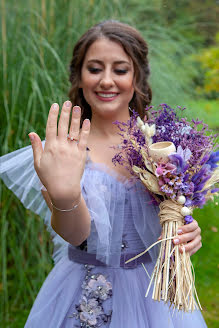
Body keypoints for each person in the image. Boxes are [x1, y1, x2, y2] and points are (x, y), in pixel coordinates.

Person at [0, 20, 206, 327]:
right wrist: (65, 194)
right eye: (94, 68)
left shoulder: (165, 143)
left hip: (155, 297)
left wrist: (189, 231)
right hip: (84, 295)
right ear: (79, 76)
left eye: (120, 69)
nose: (106, 80)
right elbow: (75, 235)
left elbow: (177, 213)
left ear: (137, 76)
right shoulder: (62, 149)